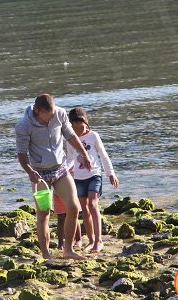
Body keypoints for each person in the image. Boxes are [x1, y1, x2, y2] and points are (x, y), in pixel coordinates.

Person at [15, 94, 93, 260]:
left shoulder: (60, 114)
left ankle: (68, 250)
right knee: (43, 214)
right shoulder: (23, 125)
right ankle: (45, 254)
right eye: (46, 117)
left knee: (73, 207)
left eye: (52, 116)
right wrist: (30, 171)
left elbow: (71, 136)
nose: (49, 120)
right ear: (37, 111)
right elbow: (21, 154)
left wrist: (85, 155)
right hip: (39, 175)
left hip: (60, 170)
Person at [67, 107, 119, 253]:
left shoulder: (93, 136)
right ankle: (90, 241)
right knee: (84, 209)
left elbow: (103, 155)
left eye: (81, 127)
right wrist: (63, 171)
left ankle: (99, 240)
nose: (79, 131)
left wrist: (110, 173)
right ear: (70, 126)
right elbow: (70, 159)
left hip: (94, 175)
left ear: (86, 123)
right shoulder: (69, 139)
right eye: (74, 127)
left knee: (93, 204)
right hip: (78, 177)